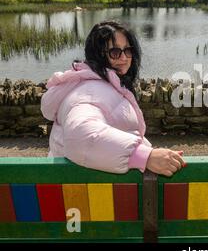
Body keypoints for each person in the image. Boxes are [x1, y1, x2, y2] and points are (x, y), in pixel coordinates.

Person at [41, 21, 185, 176]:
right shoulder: (89, 92)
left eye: (128, 50)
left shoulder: (97, 85)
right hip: (89, 191)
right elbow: (81, 135)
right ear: (98, 54)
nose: (124, 58)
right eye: (115, 52)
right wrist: (145, 157)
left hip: (79, 186)